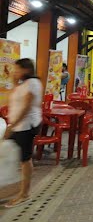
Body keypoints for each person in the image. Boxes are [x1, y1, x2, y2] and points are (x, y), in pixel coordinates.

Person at [4, 58, 43, 208]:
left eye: (17, 69)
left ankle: (24, 194)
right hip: (18, 126)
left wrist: (11, 126)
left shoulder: (33, 83)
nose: (15, 72)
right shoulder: (24, 84)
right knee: (15, 156)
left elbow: (26, 107)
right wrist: (14, 82)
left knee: (25, 159)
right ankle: (16, 188)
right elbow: (15, 100)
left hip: (26, 126)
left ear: (26, 70)